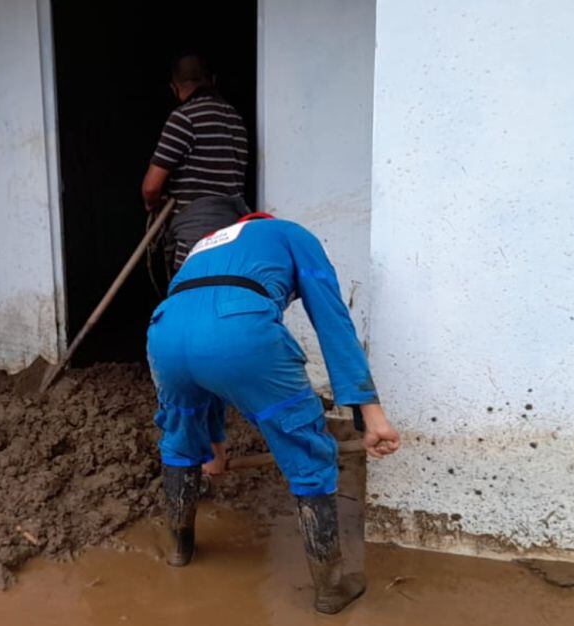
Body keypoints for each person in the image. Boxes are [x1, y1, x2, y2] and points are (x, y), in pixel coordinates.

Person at [146, 211, 401, 614]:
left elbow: (200, 331)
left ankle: (180, 549)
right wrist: (372, 416)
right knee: (306, 447)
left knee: (179, 435)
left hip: (163, 331)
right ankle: (331, 588)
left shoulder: (203, 248)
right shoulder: (290, 234)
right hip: (241, 330)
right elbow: (332, 322)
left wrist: (213, 446)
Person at [141, 53, 250, 271]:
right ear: (213, 80)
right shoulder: (236, 120)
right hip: (235, 233)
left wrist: (153, 203)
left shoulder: (183, 118)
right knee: (223, 292)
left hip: (197, 236)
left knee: (192, 295)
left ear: (174, 88)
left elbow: (151, 187)